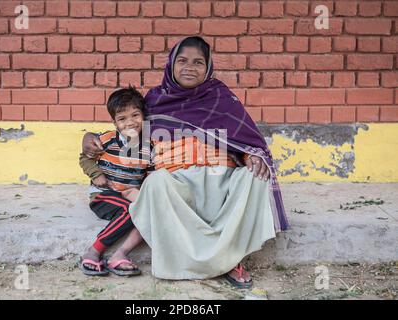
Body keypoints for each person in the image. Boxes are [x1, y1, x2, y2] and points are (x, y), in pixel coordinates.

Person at [82, 36, 289, 288]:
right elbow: (127, 124)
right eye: (182, 61)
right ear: (171, 64)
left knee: (257, 177)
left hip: (221, 178)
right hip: (176, 182)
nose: (189, 67)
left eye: (198, 62)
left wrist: (251, 155)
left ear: (208, 66)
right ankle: (223, 261)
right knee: (155, 183)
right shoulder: (155, 99)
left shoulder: (221, 98)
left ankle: (231, 257)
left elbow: (244, 138)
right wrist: (89, 137)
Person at [78, 86, 152, 277]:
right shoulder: (106, 140)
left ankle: (119, 256)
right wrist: (96, 174)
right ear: (115, 123)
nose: (130, 122)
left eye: (135, 115)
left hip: (129, 195)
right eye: (122, 119)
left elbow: (150, 176)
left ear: (144, 116)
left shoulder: (149, 147)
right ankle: (93, 251)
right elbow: (85, 158)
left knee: (150, 213)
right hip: (104, 196)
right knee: (130, 211)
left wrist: (142, 191)